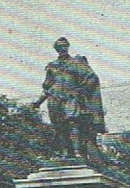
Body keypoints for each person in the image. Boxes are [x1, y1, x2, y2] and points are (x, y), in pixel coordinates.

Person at [32, 37, 106, 165]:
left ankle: (77, 152)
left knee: (73, 123)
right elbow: (47, 87)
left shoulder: (76, 62)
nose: (62, 48)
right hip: (54, 99)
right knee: (59, 127)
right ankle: (64, 153)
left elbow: (92, 77)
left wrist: (82, 89)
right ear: (56, 49)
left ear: (68, 46)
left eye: (64, 45)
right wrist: (38, 102)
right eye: (60, 46)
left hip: (71, 97)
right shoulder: (52, 66)